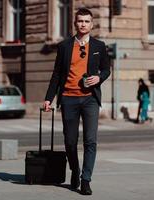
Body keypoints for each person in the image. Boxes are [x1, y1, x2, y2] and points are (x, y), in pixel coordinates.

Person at [43, 8, 110, 195]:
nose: (83, 24)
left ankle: (86, 179)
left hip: (90, 99)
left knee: (90, 141)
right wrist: (49, 98)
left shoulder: (99, 46)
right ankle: (75, 169)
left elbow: (106, 69)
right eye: (80, 21)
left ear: (92, 24)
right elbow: (56, 74)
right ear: (75, 23)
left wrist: (99, 78)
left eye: (87, 21)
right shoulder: (64, 46)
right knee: (70, 142)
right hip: (69, 99)